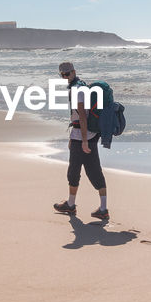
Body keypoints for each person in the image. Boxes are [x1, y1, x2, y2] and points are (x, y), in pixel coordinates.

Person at [52, 61, 109, 221]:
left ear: (74, 72)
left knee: (74, 172)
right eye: (62, 74)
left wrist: (83, 140)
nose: (65, 77)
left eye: (67, 73)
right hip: (84, 135)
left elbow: (82, 116)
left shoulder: (77, 89)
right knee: (94, 171)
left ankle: (71, 205)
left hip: (83, 137)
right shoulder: (80, 86)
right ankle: (102, 209)